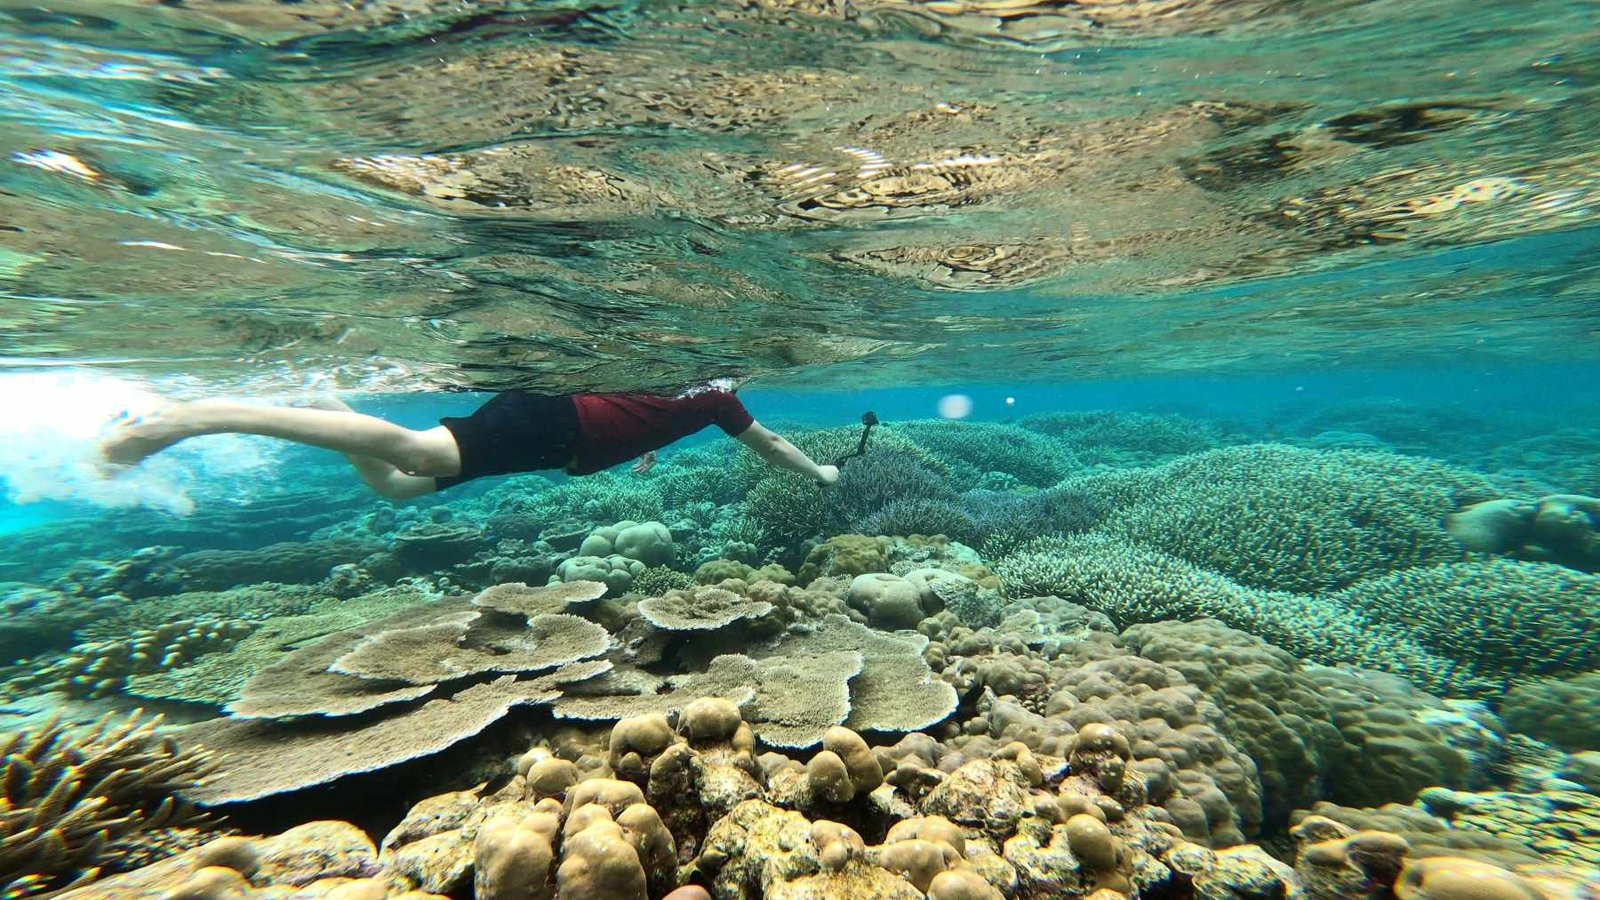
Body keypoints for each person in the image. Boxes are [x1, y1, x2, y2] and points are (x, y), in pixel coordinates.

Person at [100, 384, 840, 500]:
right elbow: (771, 446)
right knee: (414, 454)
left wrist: (639, 445)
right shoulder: (716, 394)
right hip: (553, 426)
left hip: (558, 437)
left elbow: (647, 411)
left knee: (394, 489)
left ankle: (329, 406)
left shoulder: (691, 394)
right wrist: (824, 475)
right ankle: (196, 417)